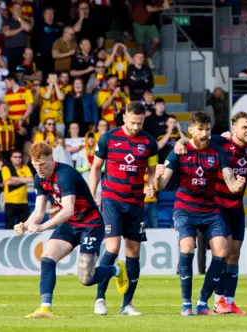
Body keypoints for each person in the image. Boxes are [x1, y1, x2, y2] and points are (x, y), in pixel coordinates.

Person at [15, 142, 128, 319]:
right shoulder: (39, 178)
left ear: (52, 159)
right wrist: (26, 223)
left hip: (90, 224)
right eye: (35, 166)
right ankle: (45, 308)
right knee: (47, 258)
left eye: (43, 165)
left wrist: (43, 227)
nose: (39, 169)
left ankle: (117, 270)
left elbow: (67, 210)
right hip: (71, 224)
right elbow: (39, 211)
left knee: (86, 278)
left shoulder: (65, 175)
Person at [155, 111, 245, 316]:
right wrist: (157, 178)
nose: (204, 133)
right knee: (187, 247)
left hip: (210, 209)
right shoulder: (179, 152)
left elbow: (231, 184)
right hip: (185, 208)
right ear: (191, 130)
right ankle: (186, 304)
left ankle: (202, 303)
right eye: (200, 129)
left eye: (207, 129)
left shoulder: (218, 152)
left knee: (222, 251)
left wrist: (237, 185)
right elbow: (161, 185)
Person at [89, 101, 158, 316]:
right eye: (133, 123)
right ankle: (100, 298)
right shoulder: (108, 138)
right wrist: (93, 194)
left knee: (134, 251)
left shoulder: (149, 142)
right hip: (111, 198)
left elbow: (153, 171)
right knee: (111, 247)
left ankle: (126, 304)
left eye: (140, 123)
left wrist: (150, 185)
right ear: (125, 117)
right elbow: (96, 167)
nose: (136, 127)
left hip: (135, 202)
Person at [2, 150, 31, 229]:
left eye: (20, 157)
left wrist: (14, 178)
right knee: (9, 226)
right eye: (15, 157)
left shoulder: (25, 167)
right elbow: (8, 182)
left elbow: (30, 179)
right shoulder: (6, 168)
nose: (18, 159)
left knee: (25, 227)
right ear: (11, 158)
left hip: (23, 202)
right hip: (10, 202)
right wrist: (23, 179)